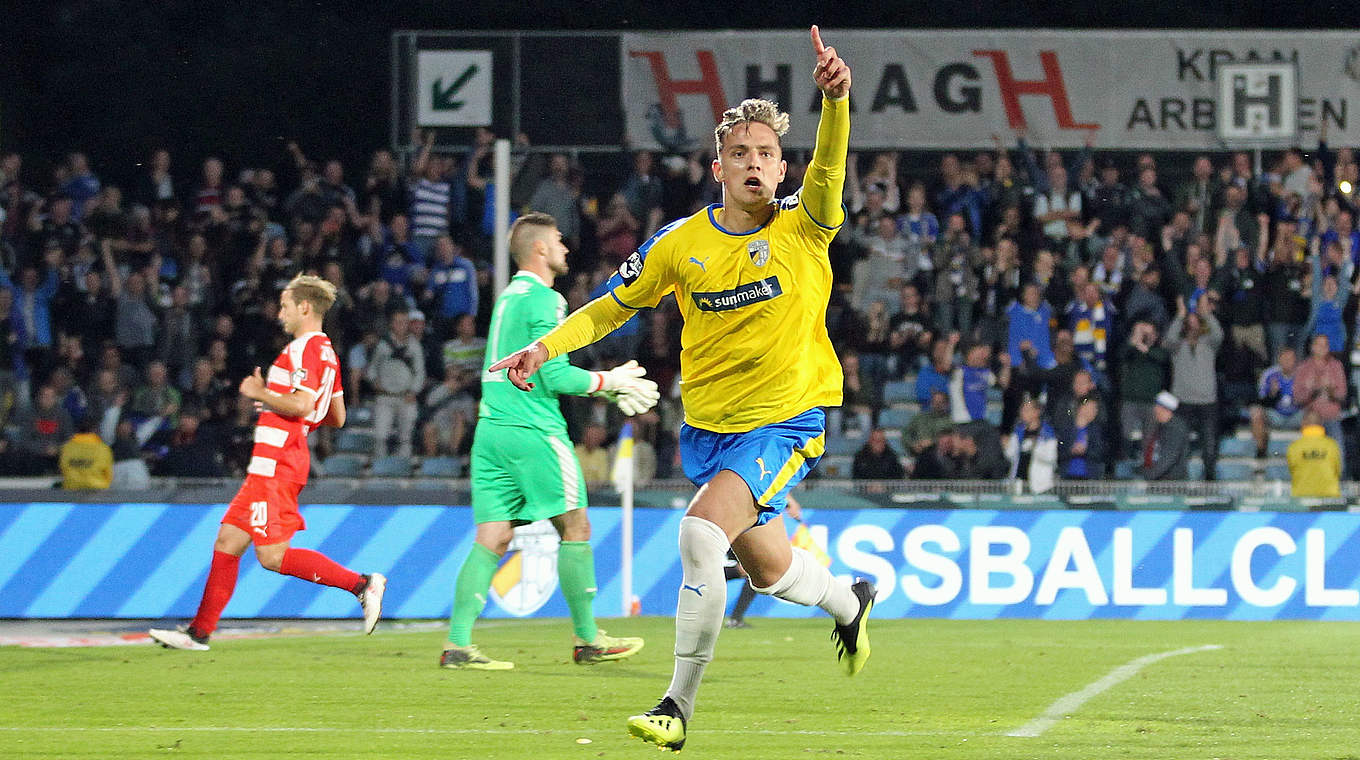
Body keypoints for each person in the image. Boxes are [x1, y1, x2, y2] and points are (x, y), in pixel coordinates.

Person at [488, 28, 873, 752]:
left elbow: (831, 165)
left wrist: (836, 101)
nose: (754, 164)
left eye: (766, 154)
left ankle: (676, 706)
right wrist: (544, 345)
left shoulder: (806, 225)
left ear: (782, 166)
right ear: (718, 167)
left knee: (700, 535)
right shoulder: (678, 244)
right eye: (741, 155)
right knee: (767, 568)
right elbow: (610, 306)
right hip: (712, 428)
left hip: (787, 418)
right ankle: (847, 600)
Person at [440, 212, 657, 671]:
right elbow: (552, 371)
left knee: (493, 537)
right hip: (533, 430)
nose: (566, 248)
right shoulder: (545, 299)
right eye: (559, 240)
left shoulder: (507, 298)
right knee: (575, 527)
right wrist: (609, 380)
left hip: (492, 431)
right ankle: (588, 638)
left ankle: (457, 644)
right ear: (539, 249)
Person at [149, 275, 386, 651]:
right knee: (228, 540)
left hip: (278, 461)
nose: (280, 314)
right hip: (272, 462)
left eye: (285, 306)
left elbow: (305, 405)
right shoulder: (327, 353)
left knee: (272, 556)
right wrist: (285, 405)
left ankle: (361, 584)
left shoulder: (306, 349)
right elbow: (335, 415)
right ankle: (199, 632)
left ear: (304, 307)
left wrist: (263, 394)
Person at [1286, 411, 1341, 498]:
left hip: (1302, 496)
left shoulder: (1294, 446)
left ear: (1303, 423)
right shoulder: (1332, 445)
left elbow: (1291, 470)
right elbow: (1338, 470)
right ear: (1321, 424)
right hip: (1329, 497)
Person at [1142, 391, 1191, 481]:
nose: (1155, 409)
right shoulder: (1163, 425)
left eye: (1157, 406)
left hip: (1171, 483)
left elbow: (1169, 457)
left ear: (1165, 409)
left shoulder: (1175, 428)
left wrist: (1149, 476)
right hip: (1160, 479)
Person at [59, 416, 113, 489]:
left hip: (71, 488)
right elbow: (108, 474)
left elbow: (63, 468)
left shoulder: (67, 448)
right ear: (95, 430)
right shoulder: (103, 449)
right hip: (97, 489)